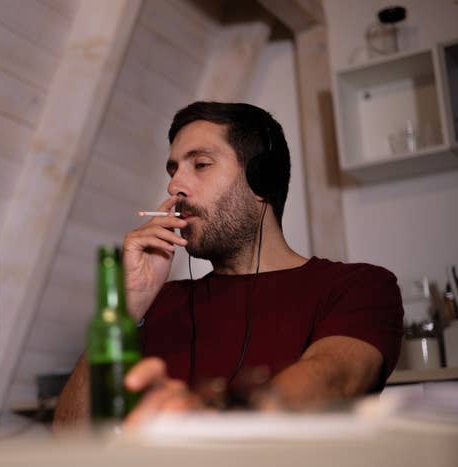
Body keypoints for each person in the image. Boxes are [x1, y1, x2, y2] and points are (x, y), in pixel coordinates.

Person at [54, 102, 403, 429]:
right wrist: (126, 309)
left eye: (200, 164)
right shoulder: (156, 302)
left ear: (261, 181)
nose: (174, 185)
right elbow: (72, 438)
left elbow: (333, 381)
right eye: (173, 170)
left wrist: (203, 419)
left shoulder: (357, 285)